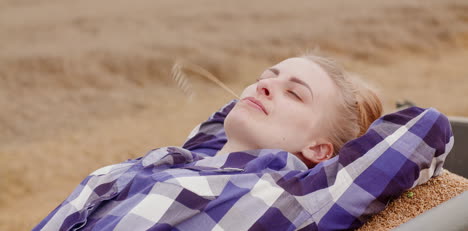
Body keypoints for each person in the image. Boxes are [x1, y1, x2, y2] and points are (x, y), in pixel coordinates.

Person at [33, 55, 452, 231]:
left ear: (321, 151)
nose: (266, 86)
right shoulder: (184, 157)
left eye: (295, 93)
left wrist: (349, 106)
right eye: (267, 76)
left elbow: (427, 129)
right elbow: (222, 121)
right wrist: (277, 94)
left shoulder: (296, 197)